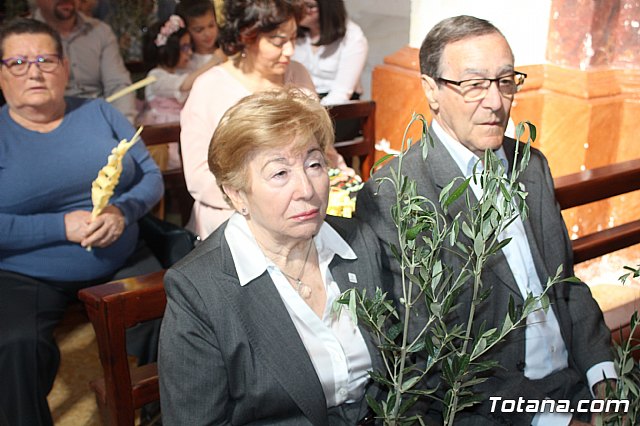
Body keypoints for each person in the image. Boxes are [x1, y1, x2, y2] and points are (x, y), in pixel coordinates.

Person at [356, 15, 616, 425]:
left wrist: (606, 376)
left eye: (506, 81)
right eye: (474, 84)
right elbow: (437, 353)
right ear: (431, 90)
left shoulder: (530, 164)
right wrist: (554, 420)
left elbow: (565, 285)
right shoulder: (396, 194)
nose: (496, 102)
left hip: (577, 384)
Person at [160, 87, 384, 425]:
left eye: (314, 164)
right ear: (237, 194)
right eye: (280, 173)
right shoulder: (200, 290)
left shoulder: (360, 241)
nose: (307, 190)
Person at [0, 18, 163, 426]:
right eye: (18, 62)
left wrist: (121, 212)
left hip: (120, 254)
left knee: (177, 317)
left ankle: (169, 413)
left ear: (66, 67)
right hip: (26, 270)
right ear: (2, 74)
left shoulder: (99, 112)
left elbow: (151, 176)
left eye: (45, 59)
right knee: (14, 345)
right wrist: (60, 227)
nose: (34, 71)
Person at [180, 0, 349, 238]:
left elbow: (321, 149)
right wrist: (264, 203)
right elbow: (199, 177)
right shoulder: (209, 88)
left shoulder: (298, 74)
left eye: (293, 38)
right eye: (278, 41)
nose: (290, 50)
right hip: (236, 215)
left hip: (304, 207)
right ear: (246, 37)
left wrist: (343, 178)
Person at [31, 0, 137, 122]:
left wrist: (123, 125)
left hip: (99, 119)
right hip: (48, 122)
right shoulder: (21, 37)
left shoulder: (100, 32)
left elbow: (118, 85)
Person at [139, 14, 219, 126]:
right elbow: (185, 84)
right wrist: (214, 61)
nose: (190, 52)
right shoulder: (155, 76)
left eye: (190, 46)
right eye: (185, 47)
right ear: (169, 50)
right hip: (164, 130)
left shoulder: (180, 71)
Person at [293, 0, 368, 105]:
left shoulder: (352, 37)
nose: (300, 10)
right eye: (297, 3)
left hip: (336, 106)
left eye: (309, 6)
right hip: (302, 100)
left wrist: (313, 114)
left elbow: (341, 94)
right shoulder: (295, 30)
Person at [175, 0, 225, 72]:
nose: (208, 34)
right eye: (199, 30)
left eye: (211, 26)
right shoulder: (186, 62)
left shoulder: (227, 50)